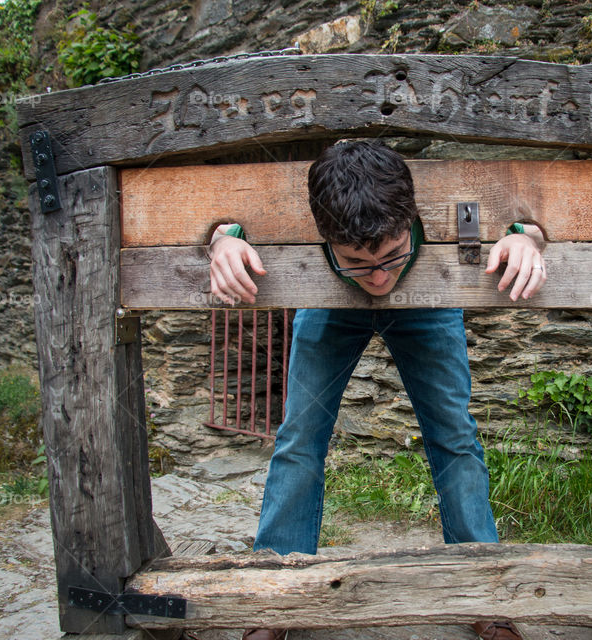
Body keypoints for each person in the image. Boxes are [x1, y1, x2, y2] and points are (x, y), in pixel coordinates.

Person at [209, 140, 546, 640]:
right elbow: (222, 222)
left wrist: (527, 235)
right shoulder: (321, 235)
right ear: (325, 236)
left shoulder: (419, 228)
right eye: (359, 262)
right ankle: (275, 596)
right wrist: (221, 239)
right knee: (298, 438)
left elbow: (533, 217)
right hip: (327, 302)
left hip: (430, 301)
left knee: (455, 437)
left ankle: (485, 590)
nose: (381, 276)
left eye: (392, 254)